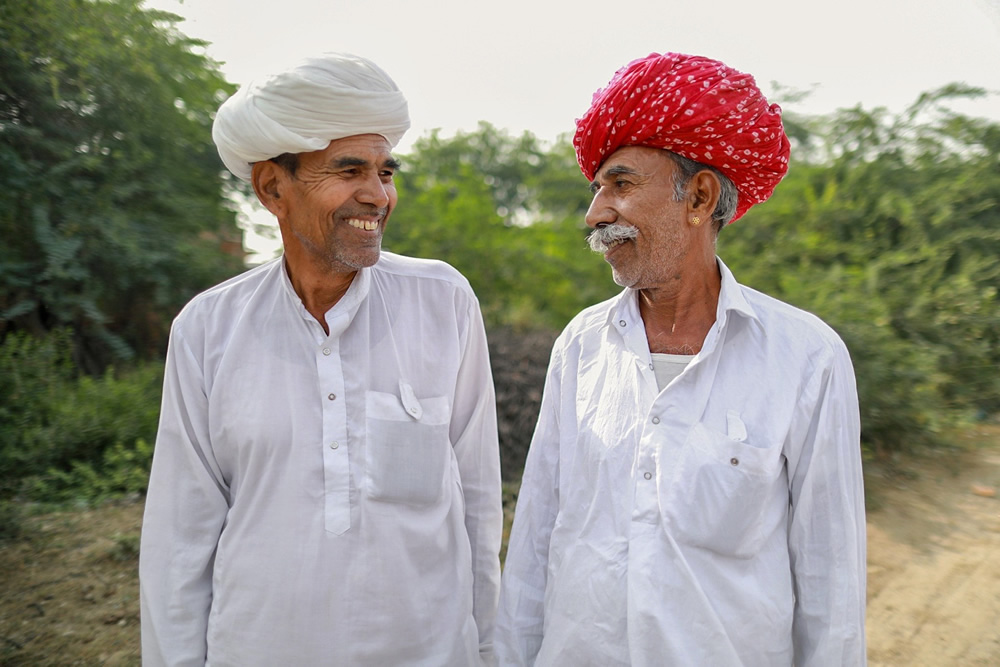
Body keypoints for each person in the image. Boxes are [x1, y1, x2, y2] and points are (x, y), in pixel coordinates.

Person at [496, 52, 866, 666]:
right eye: (596, 190)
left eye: (621, 184)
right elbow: (537, 535)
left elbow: (832, 575)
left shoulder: (806, 356)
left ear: (698, 198)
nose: (595, 214)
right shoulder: (581, 346)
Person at [139, 52, 503, 666]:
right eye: (348, 169)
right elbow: (182, 532)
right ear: (272, 187)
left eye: (386, 172)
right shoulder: (208, 328)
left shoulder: (442, 301)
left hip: (428, 651)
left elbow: (477, 506)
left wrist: (491, 651)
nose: (377, 195)